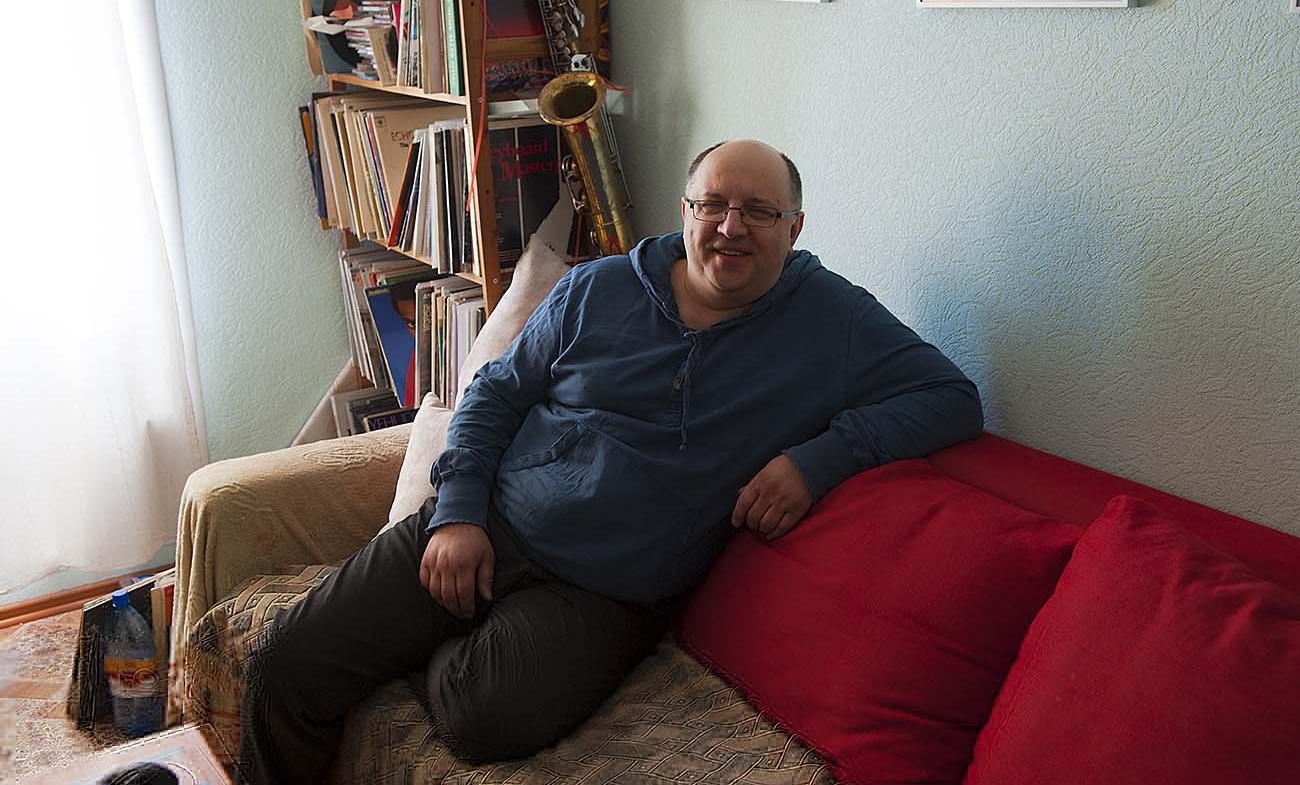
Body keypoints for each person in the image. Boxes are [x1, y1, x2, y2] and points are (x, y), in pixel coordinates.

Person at [238, 140, 983, 784]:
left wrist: (817, 461)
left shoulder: (835, 321)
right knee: (285, 663)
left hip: (605, 593)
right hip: (491, 520)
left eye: (759, 211)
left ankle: (420, 648)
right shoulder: (598, 287)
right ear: (685, 211)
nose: (731, 227)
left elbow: (951, 395)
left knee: (483, 718)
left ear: (795, 227)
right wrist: (459, 512)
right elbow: (495, 393)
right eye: (713, 205)